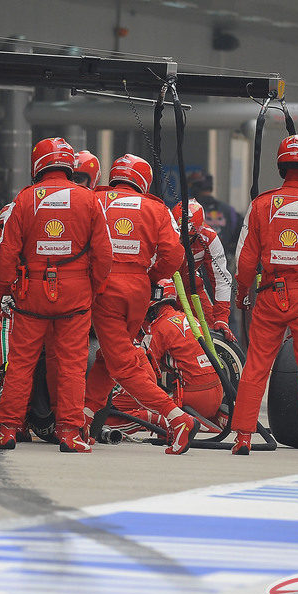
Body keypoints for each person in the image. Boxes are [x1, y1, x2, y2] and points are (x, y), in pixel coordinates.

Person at [0, 137, 113, 453]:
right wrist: (94, 289)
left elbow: (7, 253)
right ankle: (70, 432)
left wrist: (5, 289)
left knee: (21, 363)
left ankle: (8, 429)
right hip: (75, 296)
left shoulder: (25, 200)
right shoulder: (89, 200)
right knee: (72, 364)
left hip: (31, 293)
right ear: (68, 165)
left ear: (39, 164)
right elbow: (104, 255)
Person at [230, 135, 298, 458]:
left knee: (256, 365)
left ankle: (243, 437)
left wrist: (242, 294)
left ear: (280, 166)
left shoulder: (262, 204)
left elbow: (245, 258)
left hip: (268, 295)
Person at [84, 154, 194, 455]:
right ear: (142, 182)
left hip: (105, 287)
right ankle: (86, 418)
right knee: (109, 359)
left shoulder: (95, 200)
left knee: (120, 362)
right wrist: (150, 276)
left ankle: (176, 417)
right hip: (138, 290)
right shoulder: (155, 207)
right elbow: (175, 255)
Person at [105, 279, 224, 437]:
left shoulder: (159, 328)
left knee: (120, 413)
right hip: (218, 394)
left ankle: (159, 419)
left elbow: (146, 374)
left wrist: (113, 403)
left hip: (190, 398)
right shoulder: (191, 319)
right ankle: (222, 418)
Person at [171, 199, 235, 340]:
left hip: (191, 289)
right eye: (179, 235)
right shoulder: (163, 230)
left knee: (213, 330)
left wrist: (222, 317)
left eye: (188, 237)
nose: (183, 241)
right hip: (164, 290)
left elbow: (221, 278)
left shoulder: (209, 238)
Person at [188, 169, 241, 258]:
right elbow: (241, 236)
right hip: (223, 262)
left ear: (195, 188)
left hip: (196, 262)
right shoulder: (229, 210)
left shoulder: (190, 209)